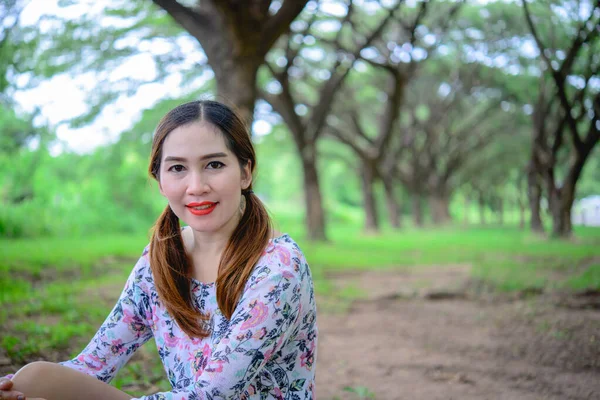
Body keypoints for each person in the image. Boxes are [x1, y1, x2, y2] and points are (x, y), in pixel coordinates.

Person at [0, 100, 318, 400]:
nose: (196, 186)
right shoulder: (161, 258)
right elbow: (93, 366)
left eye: (214, 164)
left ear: (245, 172)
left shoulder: (278, 266)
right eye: (178, 168)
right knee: (32, 379)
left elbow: (212, 394)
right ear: (160, 180)